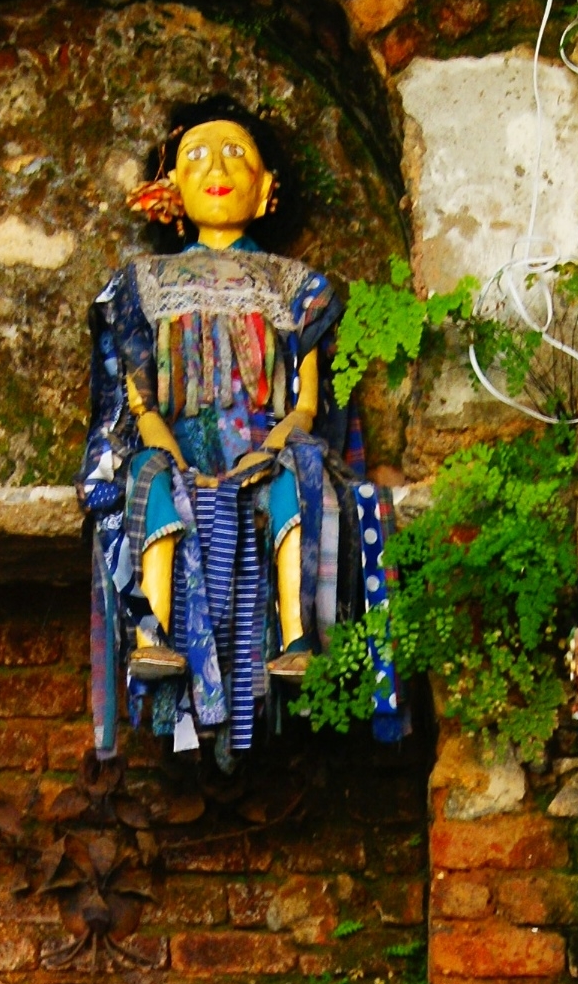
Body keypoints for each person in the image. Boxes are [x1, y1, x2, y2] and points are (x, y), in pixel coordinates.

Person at [76, 96, 400, 761]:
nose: (216, 169)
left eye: (236, 155)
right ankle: (153, 636)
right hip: (175, 447)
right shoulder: (140, 285)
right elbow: (139, 400)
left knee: (298, 482)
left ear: (265, 188)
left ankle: (296, 638)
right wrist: (171, 454)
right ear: (169, 189)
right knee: (148, 482)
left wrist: (270, 450)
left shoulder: (298, 287)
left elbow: (306, 403)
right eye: (196, 156)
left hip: (268, 445)